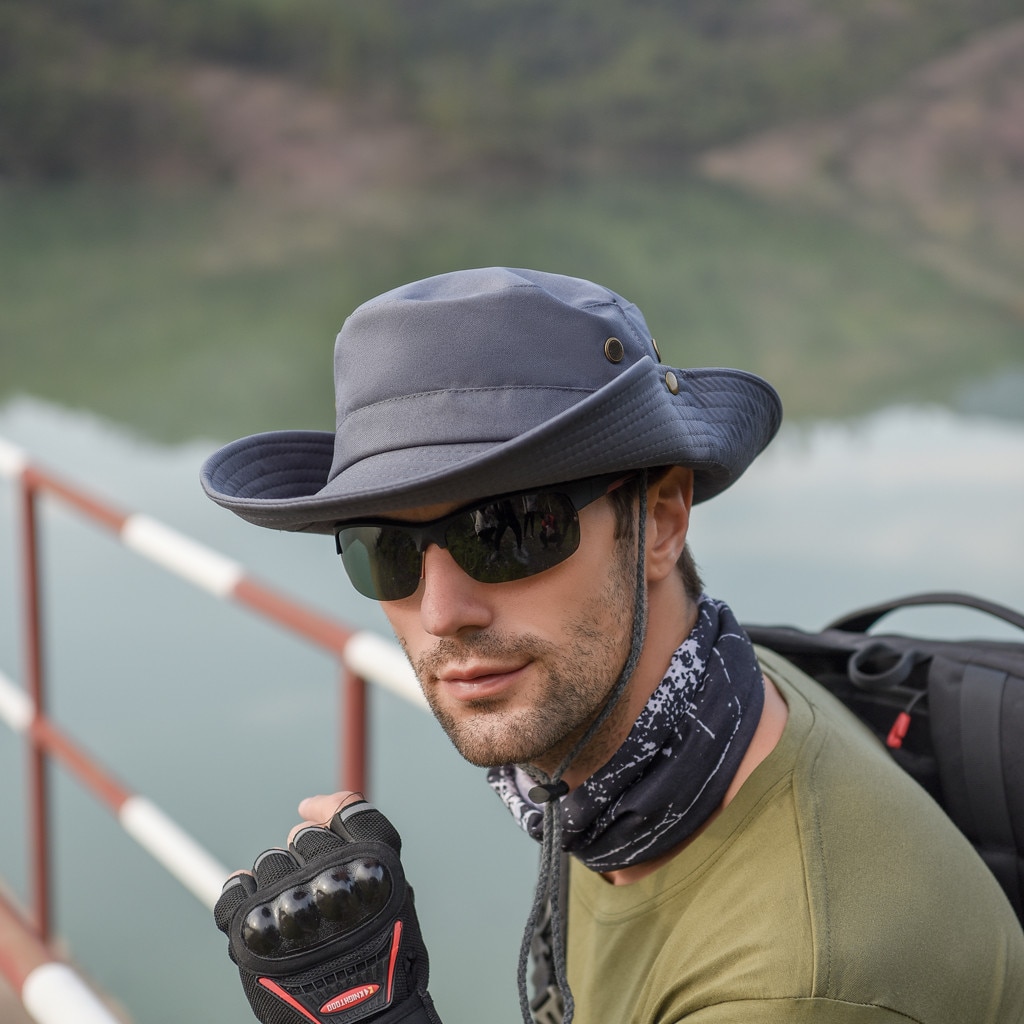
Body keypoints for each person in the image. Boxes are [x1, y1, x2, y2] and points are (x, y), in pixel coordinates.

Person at [202, 268, 1024, 1024]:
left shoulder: (792, 989)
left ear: (661, 520)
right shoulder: (700, 711)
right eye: (384, 551)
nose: (443, 611)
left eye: (510, 530)